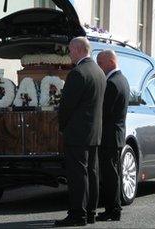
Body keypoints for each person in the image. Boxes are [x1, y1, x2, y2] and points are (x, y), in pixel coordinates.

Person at [56, 37, 106, 227]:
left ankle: (78, 214)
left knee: (78, 175)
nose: (69, 54)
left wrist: (62, 128)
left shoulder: (78, 73)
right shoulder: (99, 72)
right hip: (94, 132)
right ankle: (91, 212)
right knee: (91, 173)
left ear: (77, 49)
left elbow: (66, 106)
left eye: (70, 50)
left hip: (77, 132)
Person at [96, 50, 130, 221]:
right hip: (115, 135)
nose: (98, 67)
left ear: (110, 62)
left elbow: (104, 111)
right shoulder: (122, 80)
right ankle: (113, 208)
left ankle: (113, 209)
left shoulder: (112, 83)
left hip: (109, 135)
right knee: (112, 173)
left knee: (109, 175)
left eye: (100, 63)